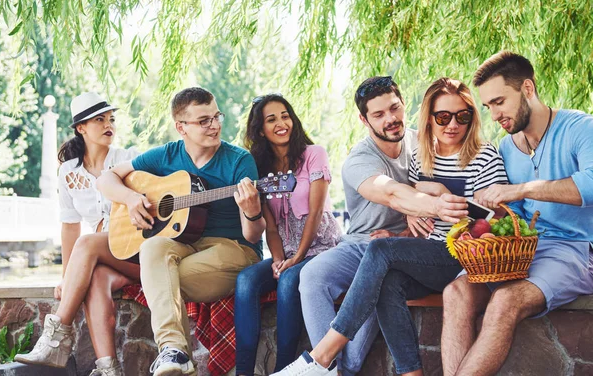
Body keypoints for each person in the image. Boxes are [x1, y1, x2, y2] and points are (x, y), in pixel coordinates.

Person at [273, 77, 508, 376]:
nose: (452, 125)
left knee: (381, 250)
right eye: (443, 117)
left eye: (462, 116)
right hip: (418, 251)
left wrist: (442, 207)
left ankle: (322, 357)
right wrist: (412, 222)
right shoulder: (419, 155)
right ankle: (410, 372)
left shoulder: (482, 155)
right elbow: (399, 197)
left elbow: (496, 219)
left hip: (465, 256)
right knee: (383, 281)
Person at [441, 51, 593, 376]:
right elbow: (516, 215)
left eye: (499, 102)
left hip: (574, 251)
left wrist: (521, 189)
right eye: (489, 106)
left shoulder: (581, 127)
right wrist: (485, 215)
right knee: (455, 292)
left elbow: (590, 185)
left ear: (527, 88)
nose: (494, 115)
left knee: (505, 302)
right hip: (520, 253)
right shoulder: (509, 147)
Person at [96, 87, 266, 376]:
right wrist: (131, 198)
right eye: (204, 121)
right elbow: (106, 179)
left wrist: (252, 209)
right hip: (184, 243)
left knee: (161, 280)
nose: (215, 125)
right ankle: (174, 350)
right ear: (181, 127)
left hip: (233, 248)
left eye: (216, 116)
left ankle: (175, 354)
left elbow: (253, 235)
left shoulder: (239, 161)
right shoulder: (167, 155)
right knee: (152, 247)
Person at [15, 92, 140, 376]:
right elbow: (69, 226)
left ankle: (57, 337)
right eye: (99, 120)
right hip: (106, 259)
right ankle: (109, 368)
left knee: (88, 242)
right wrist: (67, 278)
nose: (109, 124)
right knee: (94, 279)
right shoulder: (68, 171)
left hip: (136, 252)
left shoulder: (129, 158)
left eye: (111, 119)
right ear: (80, 128)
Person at [234, 94, 341, 375]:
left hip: (320, 248)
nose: (282, 123)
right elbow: (269, 225)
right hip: (286, 252)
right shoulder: (259, 167)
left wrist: (296, 259)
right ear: (260, 130)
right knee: (245, 280)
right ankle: (244, 371)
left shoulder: (313, 154)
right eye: (272, 119)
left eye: (285, 116)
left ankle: (283, 369)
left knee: (290, 280)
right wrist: (279, 259)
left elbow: (316, 213)